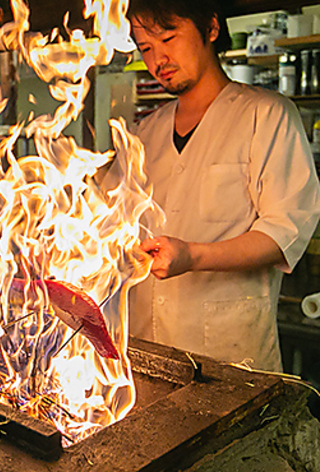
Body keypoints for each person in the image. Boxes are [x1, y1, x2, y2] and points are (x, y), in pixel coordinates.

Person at [103, 0, 320, 371]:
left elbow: (283, 232)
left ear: (212, 29)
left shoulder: (266, 115)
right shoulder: (144, 132)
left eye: (168, 38)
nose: (158, 60)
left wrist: (193, 255)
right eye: (146, 48)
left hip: (231, 354)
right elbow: (103, 217)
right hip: (144, 352)